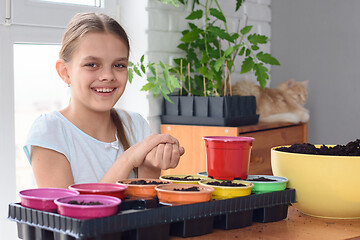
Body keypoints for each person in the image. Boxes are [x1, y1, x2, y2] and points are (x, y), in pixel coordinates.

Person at [23, 12, 185, 188]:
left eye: (119, 65)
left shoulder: (136, 124)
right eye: (92, 64)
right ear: (65, 72)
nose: (108, 76)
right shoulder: (50, 131)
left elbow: (145, 211)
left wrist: (150, 166)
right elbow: (71, 213)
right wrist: (129, 158)